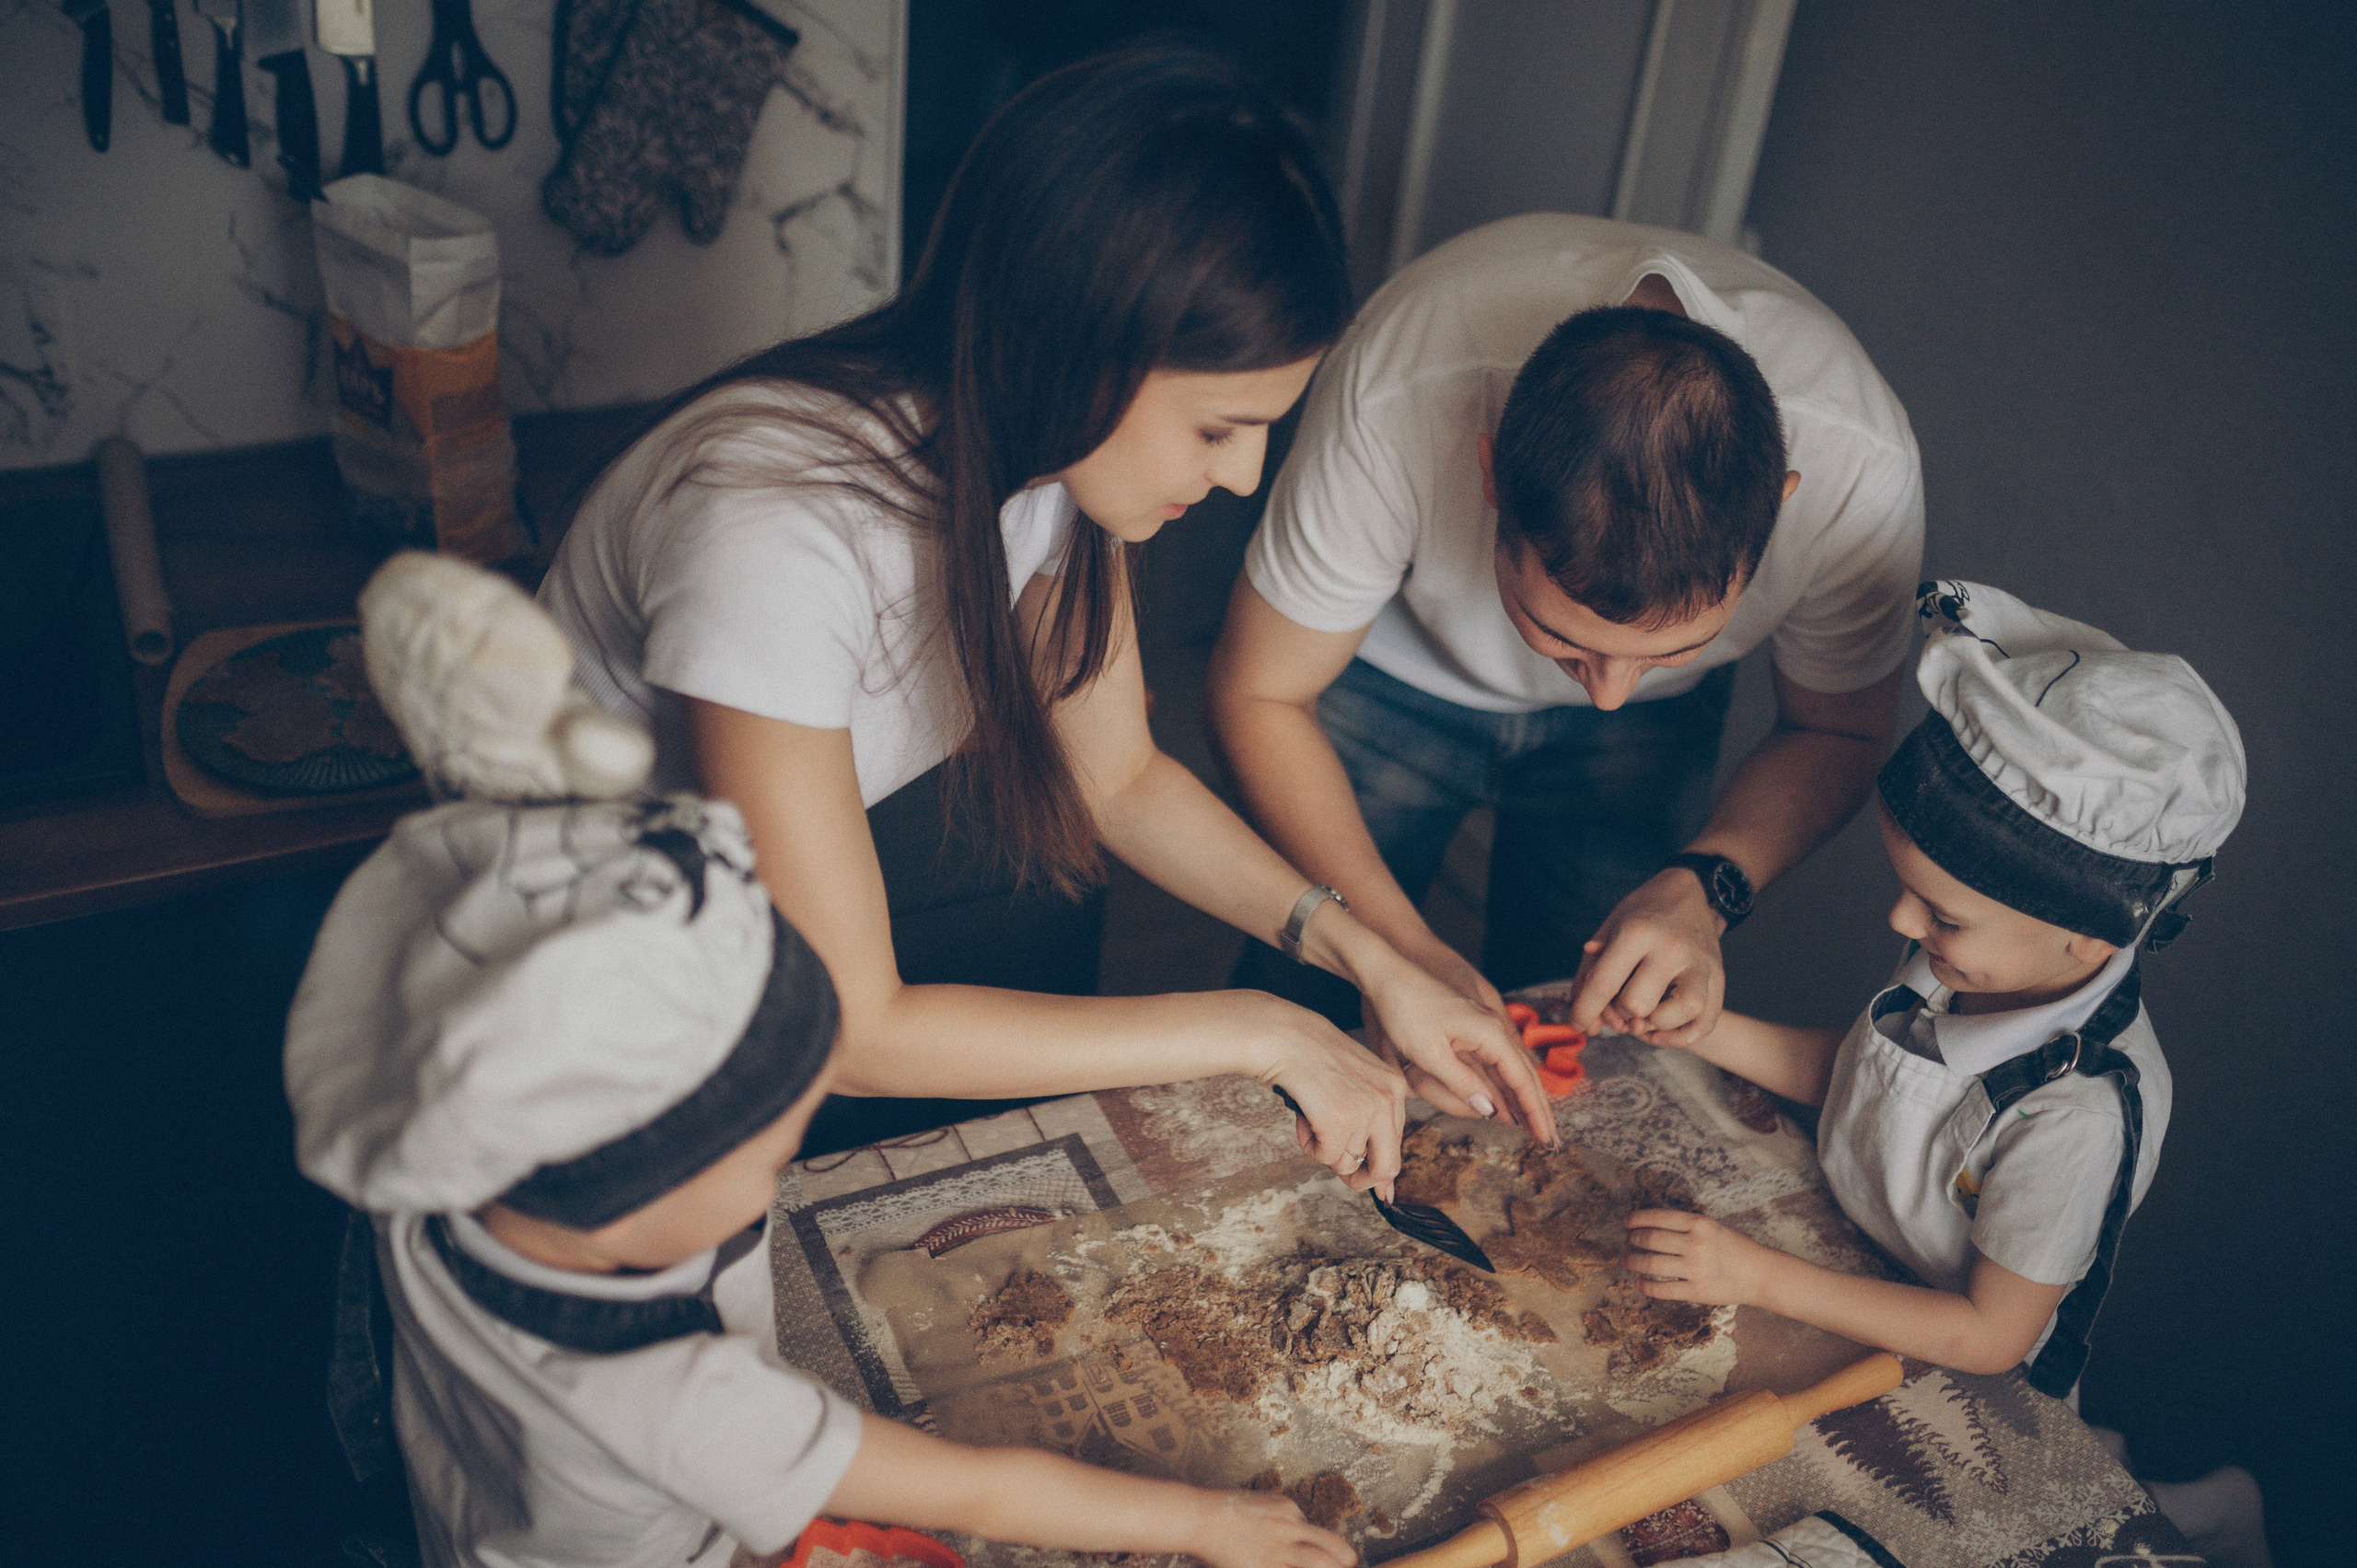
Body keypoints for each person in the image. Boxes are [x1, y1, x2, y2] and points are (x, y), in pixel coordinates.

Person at [538, 49, 1550, 1188]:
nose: (1241, 475)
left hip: (728, 934)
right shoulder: (769, 531)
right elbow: (855, 1029)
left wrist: (1372, 957)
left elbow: (1117, 776)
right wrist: (1270, 1029)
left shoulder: (1052, 468)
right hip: (580, 996)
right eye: (1218, 428)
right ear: (1079, 345)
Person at [284, 559, 1359, 1568]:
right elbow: (973, 1491)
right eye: (764, 1166)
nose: (783, 1179)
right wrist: (1211, 1520)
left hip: (473, 1506)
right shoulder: (673, 1399)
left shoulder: (450, 1160)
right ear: (626, 1201)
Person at [1208, 214, 1923, 1087]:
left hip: (1657, 744)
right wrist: (1390, 950)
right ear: (1489, 476)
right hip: (1382, 672)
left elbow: (1839, 731)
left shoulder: (1863, 469)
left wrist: (1708, 882)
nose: (1608, 695)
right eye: (1562, 637)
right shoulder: (1402, 381)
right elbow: (1259, 692)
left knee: (1579, 1016)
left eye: (1674, 647)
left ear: (1782, 507)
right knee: (1313, 977)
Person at [1616, 581, 2245, 1396]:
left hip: (1947, 1361)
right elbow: (1860, 1077)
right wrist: (1699, 1028)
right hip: (1842, 1262)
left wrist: (1758, 1276)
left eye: (1942, 915)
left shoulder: (2078, 1115)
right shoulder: (1971, 964)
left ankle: (2215, 1516)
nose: (1901, 919)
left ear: (2086, 932)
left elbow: (1990, 1334)